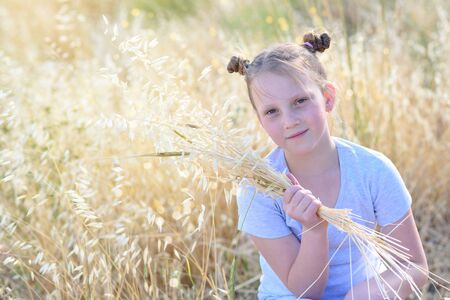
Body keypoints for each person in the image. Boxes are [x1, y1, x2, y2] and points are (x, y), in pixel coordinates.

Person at [227, 32, 429, 299]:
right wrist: (313, 229)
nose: (289, 121)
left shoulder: (373, 171)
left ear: (328, 98)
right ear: (260, 120)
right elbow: (306, 290)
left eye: (300, 101)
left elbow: (414, 266)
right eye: (272, 111)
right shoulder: (257, 189)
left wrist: (362, 295)